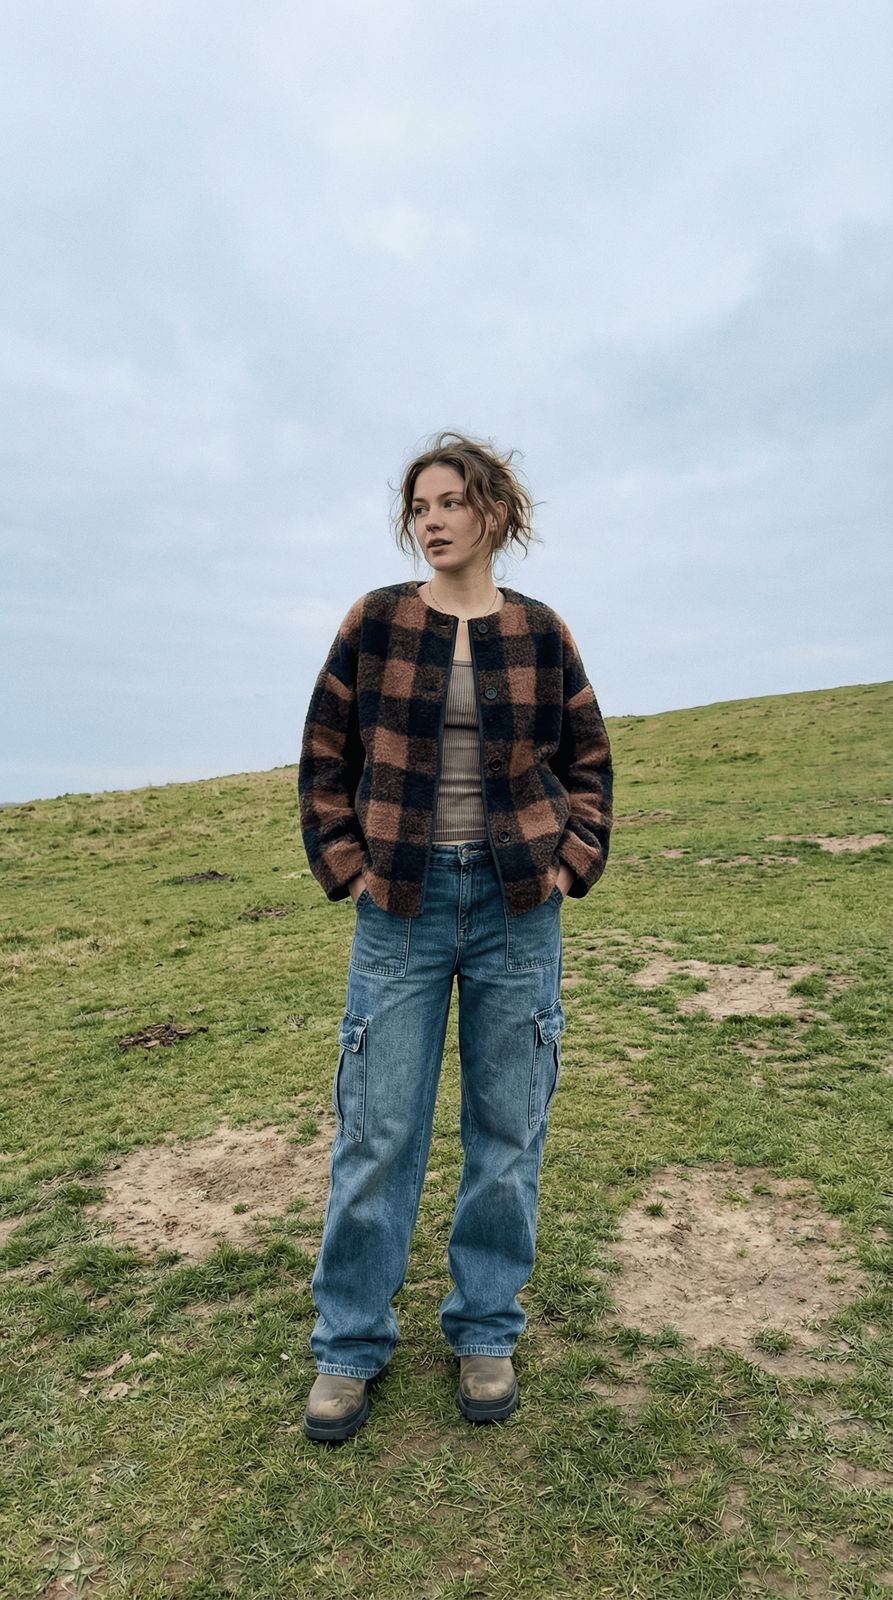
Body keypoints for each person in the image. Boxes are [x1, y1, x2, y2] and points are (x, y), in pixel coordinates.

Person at [297, 430, 613, 1442]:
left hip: (519, 906)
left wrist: (572, 856)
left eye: (448, 502)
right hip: (402, 905)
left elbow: (589, 758)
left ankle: (484, 1328)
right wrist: (349, 865)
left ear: (493, 513)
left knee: (506, 1129)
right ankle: (348, 1346)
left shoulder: (540, 630)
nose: (430, 519)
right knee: (377, 1129)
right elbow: (323, 756)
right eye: (418, 506)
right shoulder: (377, 622)